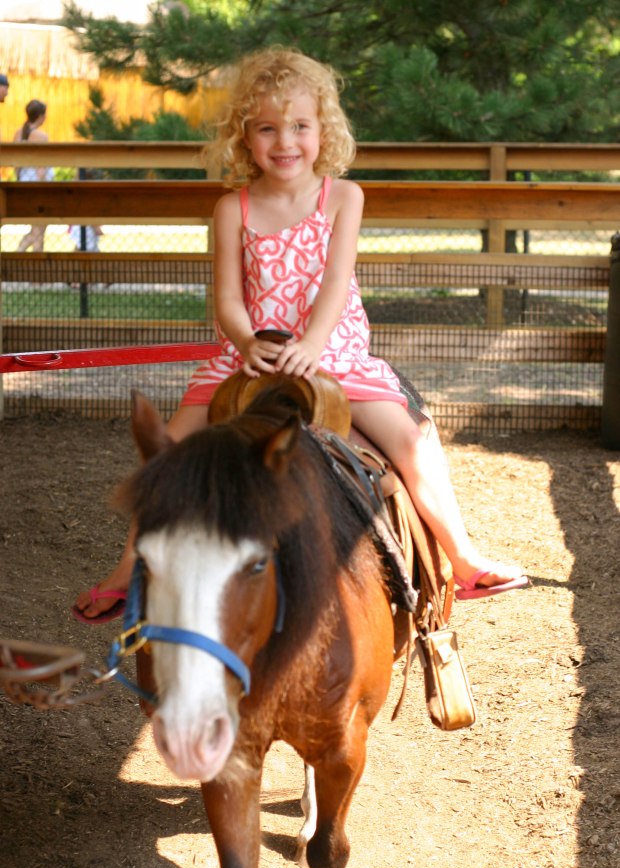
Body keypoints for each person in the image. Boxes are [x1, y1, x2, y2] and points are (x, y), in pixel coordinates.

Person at [72, 47, 527, 623]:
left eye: (299, 126)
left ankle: (462, 558)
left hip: (330, 352)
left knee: (413, 441)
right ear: (245, 137)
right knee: (169, 455)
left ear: (322, 130)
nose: (284, 141)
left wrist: (311, 346)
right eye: (267, 128)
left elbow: (336, 282)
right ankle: (127, 568)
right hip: (250, 358)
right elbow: (228, 298)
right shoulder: (231, 208)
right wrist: (245, 343)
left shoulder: (342, 197)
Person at [14, 99, 52, 252]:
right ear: (41, 116)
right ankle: (35, 261)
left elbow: (16, 165)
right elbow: (41, 167)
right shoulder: (41, 136)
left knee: (37, 227)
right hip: (38, 184)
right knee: (39, 227)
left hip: (24, 182)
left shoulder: (19, 133)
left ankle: (20, 254)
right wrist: (43, 187)